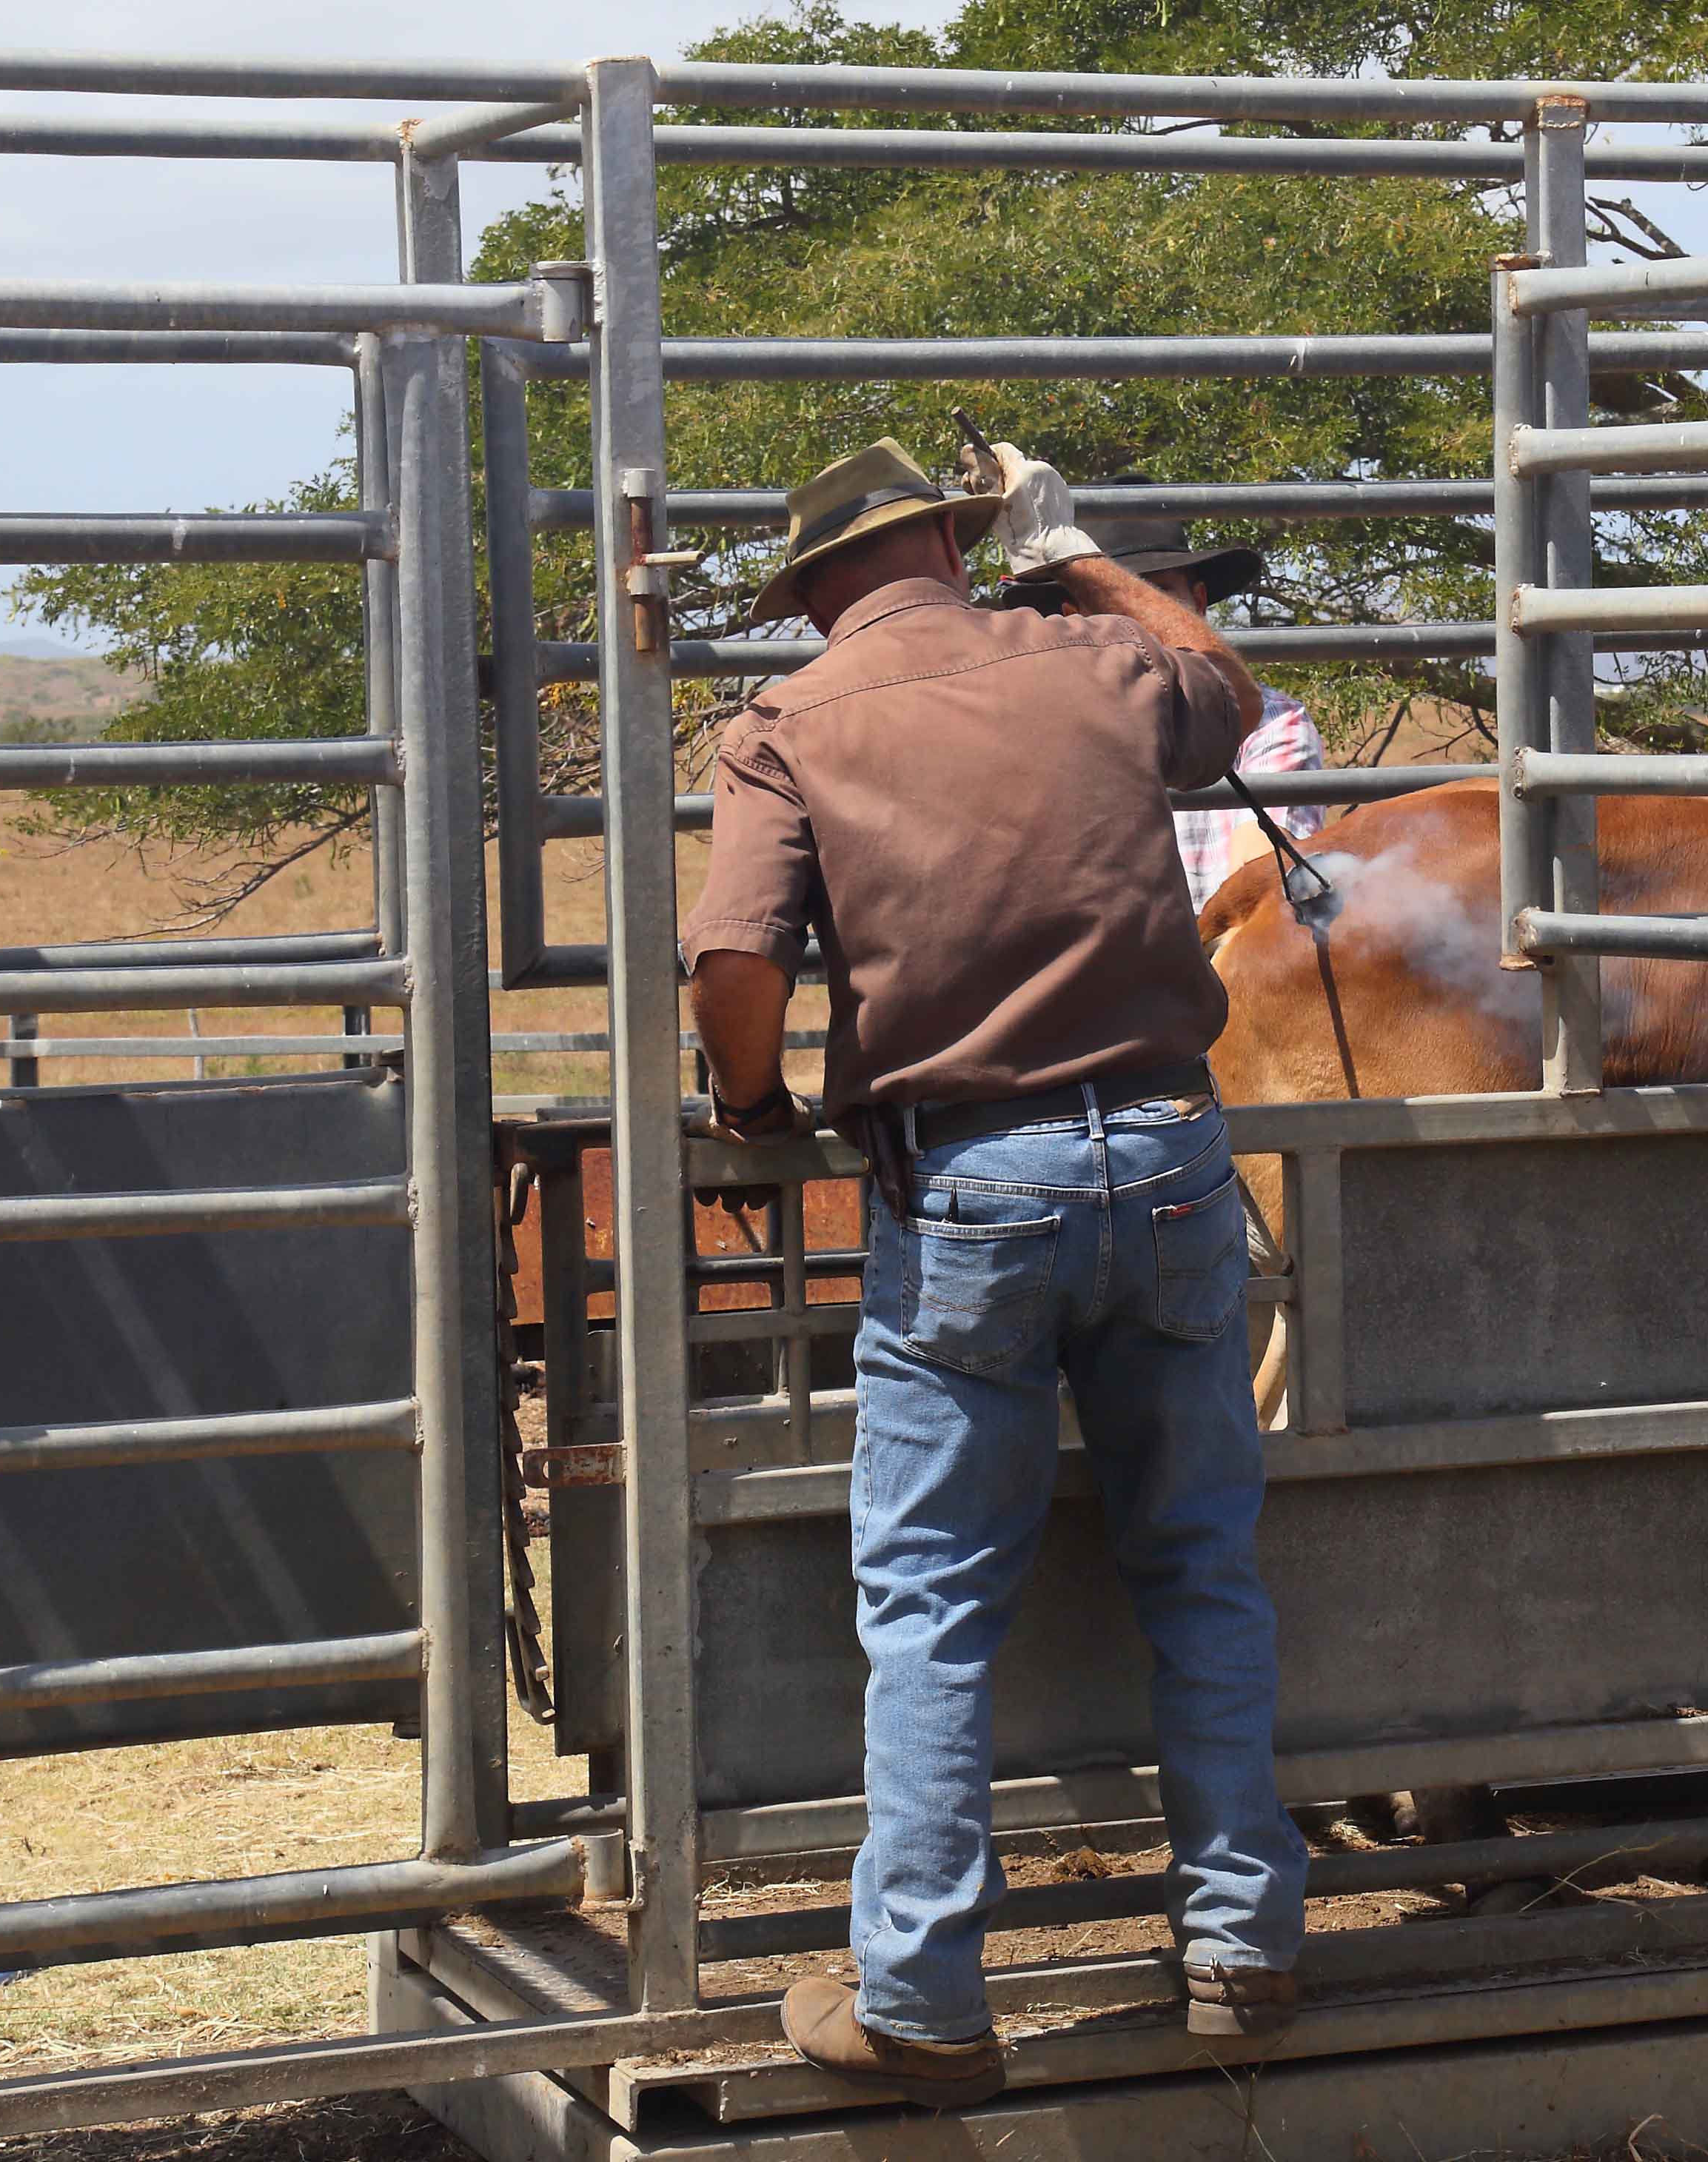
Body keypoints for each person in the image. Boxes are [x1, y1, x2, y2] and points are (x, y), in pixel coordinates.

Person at [680, 438, 1310, 2107]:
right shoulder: (1094, 658)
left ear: (816, 589)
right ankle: (1242, 1943)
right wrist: (1086, 553)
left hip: (966, 1180)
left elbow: (736, 959)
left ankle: (927, 1994)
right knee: (1201, 1560)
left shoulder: (790, 724)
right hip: (1171, 1156)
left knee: (937, 1600)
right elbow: (1229, 693)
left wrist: (749, 1103)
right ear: (959, 544)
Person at [997, 478, 1327, 913]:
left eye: (1159, 596)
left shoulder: (1273, 722)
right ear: (1074, 617)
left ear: (1198, 601)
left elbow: (1258, 895)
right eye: (1117, 601)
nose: (1143, 620)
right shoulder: (1040, 731)